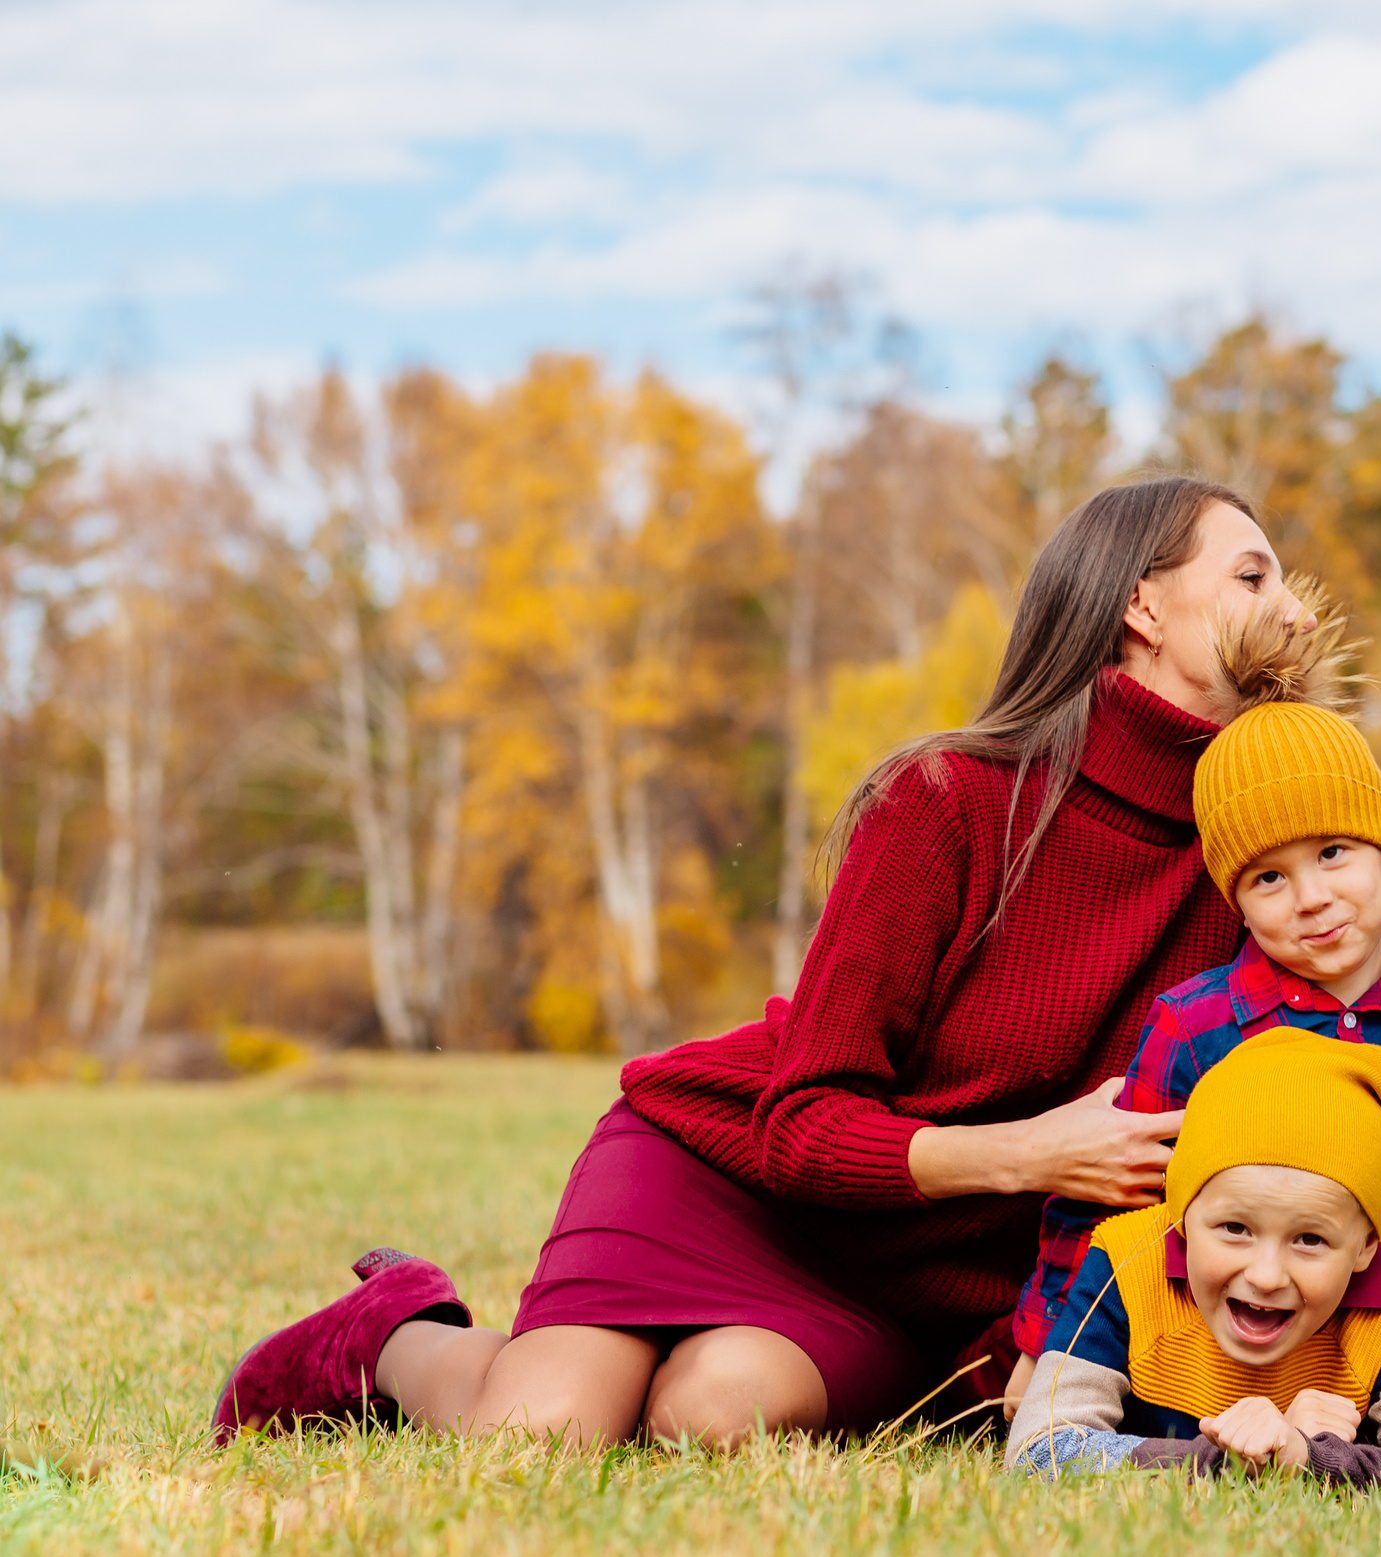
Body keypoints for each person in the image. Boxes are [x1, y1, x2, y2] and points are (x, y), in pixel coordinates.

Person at [213, 476, 1308, 1450]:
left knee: (706, 1417)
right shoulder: (948, 803)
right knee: (538, 1432)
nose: (1294, 610)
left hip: (925, 1288)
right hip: (736, 1175)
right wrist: (1026, 1154)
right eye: (1254, 573)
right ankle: (393, 1329)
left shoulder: (1265, 855)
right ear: (1143, 607)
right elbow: (802, 1120)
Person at [1005, 619, 1381, 1397]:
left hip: (1372, 1339)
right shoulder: (1196, 1026)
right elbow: (1106, 1195)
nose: (1312, 898)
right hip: (1213, 1335)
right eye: (1268, 878)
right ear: (1235, 902)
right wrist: (1046, 1349)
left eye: (1333, 853)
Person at [1007, 1027, 1381, 1484]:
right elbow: (1038, 1450)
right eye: (1235, 1228)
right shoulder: (1128, 1263)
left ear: (1365, 1246)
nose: (1266, 1276)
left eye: (1310, 1240)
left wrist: (1309, 1456)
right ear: (1180, 1216)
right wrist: (1222, 1460)